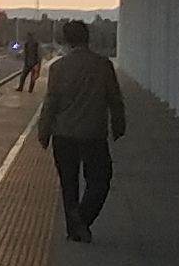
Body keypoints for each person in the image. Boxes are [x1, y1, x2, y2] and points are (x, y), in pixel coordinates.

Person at [37, 20, 123, 240]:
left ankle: (74, 225)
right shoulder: (103, 65)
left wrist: (44, 130)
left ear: (66, 40)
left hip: (63, 134)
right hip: (93, 133)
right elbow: (115, 98)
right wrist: (119, 124)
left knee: (69, 184)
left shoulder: (58, 67)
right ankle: (81, 220)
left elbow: (51, 102)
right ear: (88, 38)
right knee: (100, 180)